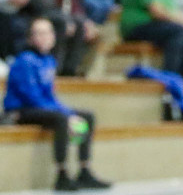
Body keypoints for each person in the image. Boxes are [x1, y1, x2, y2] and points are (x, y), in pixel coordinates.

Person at [3, 17, 112, 190]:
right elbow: (32, 97)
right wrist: (67, 116)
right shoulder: (25, 61)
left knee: (86, 117)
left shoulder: (49, 60)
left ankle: (84, 169)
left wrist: (70, 113)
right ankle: (61, 174)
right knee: (62, 119)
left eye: (47, 33)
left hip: (42, 107)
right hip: (20, 110)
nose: (44, 37)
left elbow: (50, 96)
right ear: (31, 38)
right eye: (39, 33)